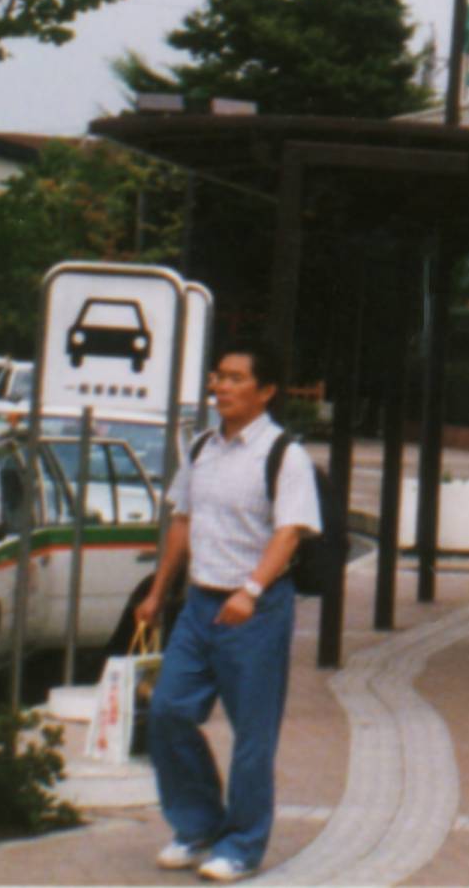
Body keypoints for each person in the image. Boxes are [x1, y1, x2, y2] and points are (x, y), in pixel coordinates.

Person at [136, 345, 321, 885]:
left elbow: (289, 532)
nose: (221, 386)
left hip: (255, 612)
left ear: (265, 392)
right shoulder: (201, 448)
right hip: (198, 607)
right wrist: (158, 590)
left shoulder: (284, 455)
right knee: (168, 711)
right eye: (218, 376)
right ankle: (196, 825)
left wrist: (252, 588)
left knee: (252, 736)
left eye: (236, 378)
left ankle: (241, 844)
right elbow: (181, 520)